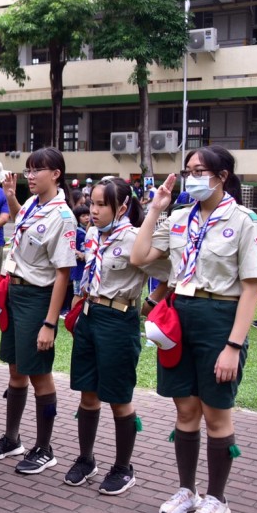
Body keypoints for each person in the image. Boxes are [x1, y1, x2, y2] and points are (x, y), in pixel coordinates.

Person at [132, 145, 257, 513]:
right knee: (186, 410)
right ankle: (186, 491)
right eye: (188, 170)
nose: (192, 178)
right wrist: (156, 207)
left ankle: (216, 498)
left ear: (222, 177)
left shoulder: (244, 220)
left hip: (219, 318)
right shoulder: (177, 218)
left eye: (200, 171)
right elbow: (140, 258)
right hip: (179, 317)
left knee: (215, 413)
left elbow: (252, 288)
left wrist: (234, 345)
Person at [64, 178, 169, 496]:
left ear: (122, 207)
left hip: (118, 321)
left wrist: (148, 304)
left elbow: (169, 276)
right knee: (87, 393)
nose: (93, 211)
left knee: (119, 399)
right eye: (91, 203)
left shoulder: (136, 239)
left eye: (100, 205)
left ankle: (124, 468)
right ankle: (86, 460)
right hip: (89, 316)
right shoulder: (94, 234)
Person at [0, 148, 77, 475]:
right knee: (15, 370)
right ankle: (12, 438)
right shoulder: (35, 206)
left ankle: (44, 447)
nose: (31, 175)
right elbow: (25, 224)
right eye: (28, 170)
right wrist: (11, 198)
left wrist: (50, 323)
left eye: (38, 169)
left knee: (39, 375)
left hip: (38, 298)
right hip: (14, 292)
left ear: (56, 174)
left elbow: (63, 274)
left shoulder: (62, 217)